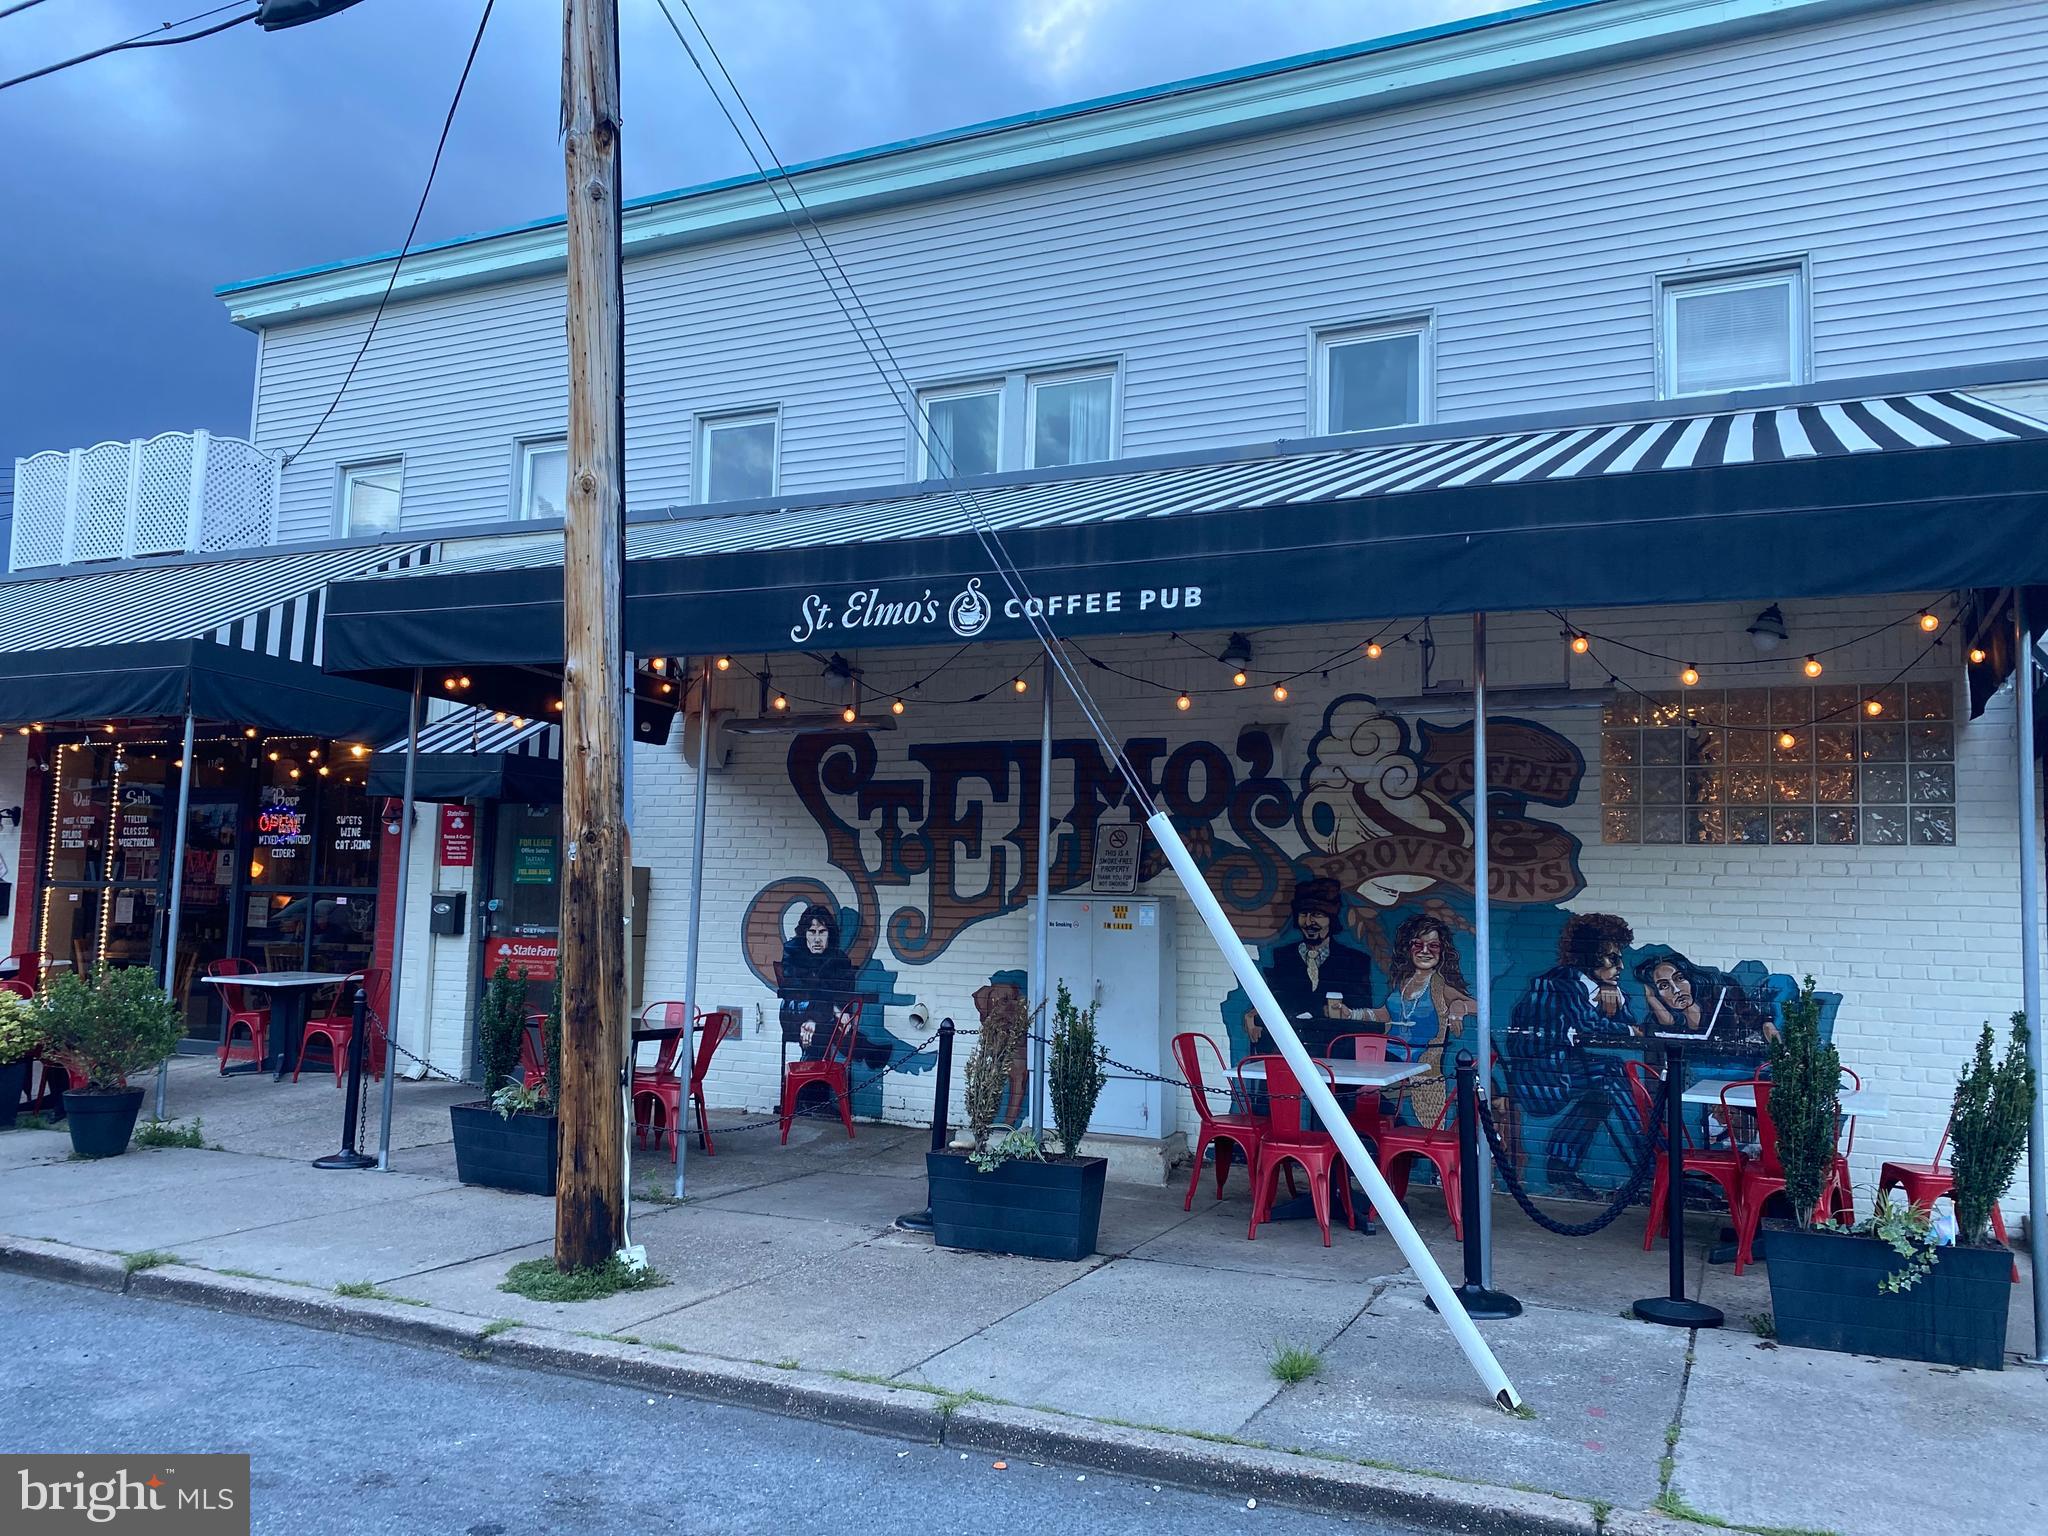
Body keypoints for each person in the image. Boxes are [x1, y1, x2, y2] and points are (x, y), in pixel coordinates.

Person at [1504, 911, 1643, 1202]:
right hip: (1539, 1079)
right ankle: (1650, 1166)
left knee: (1603, 1091)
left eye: (1619, 957)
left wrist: (1615, 1000)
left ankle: (1561, 1164)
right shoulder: (1559, 983)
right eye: (1611, 958)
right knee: (1611, 1072)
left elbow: (1625, 1024)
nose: (1620, 966)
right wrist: (1628, 1028)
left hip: (1561, 1069)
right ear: (1587, 955)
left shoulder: (1598, 986)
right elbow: (1591, 1027)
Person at [1364, 911, 1477, 1129]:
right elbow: (1385, 1014)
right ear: (1408, 948)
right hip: (1388, 1060)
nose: (1425, 951)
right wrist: (1352, 1013)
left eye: (1433, 946)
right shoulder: (1403, 982)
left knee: (1363, 1092)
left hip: (1418, 1063)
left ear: (1442, 950)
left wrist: (1457, 1006)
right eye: (1418, 944)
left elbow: (1478, 1006)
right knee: (1352, 1084)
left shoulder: (1438, 985)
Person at [1245, 876, 1374, 1060]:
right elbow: (1274, 998)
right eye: (1304, 914)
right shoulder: (1283, 957)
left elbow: (1362, 1013)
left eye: (1318, 915)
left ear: (1331, 918)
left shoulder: (1355, 961)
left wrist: (1347, 1013)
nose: (1309, 921)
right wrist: (1253, 1014)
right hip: (1292, 1052)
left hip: (1336, 1055)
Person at [777, 903, 857, 1060]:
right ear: (804, 934)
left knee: (825, 1030)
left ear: (829, 934)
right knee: (821, 1022)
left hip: (824, 1017)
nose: (817, 939)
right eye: (812, 932)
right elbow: (799, 989)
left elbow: (844, 990)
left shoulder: (839, 959)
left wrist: (837, 1010)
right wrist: (830, 1011)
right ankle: (813, 1078)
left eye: (822, 932)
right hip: (796, 1011)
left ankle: (812, 1075)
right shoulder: (793, 952)